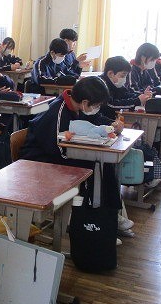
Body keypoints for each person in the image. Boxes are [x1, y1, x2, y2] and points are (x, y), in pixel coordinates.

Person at [19, 76, 124, 210]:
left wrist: (112, 125)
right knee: (93, 166)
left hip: (59, 153)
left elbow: (95, 118)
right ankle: (87, 213)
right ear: (85, 102)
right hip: (41, 160)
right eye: (96, 105)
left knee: (103, 162)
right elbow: (56, 150)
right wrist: (87, 154)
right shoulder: (57, 112)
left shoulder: (77, 105)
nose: (97, 108)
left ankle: (110, 213)